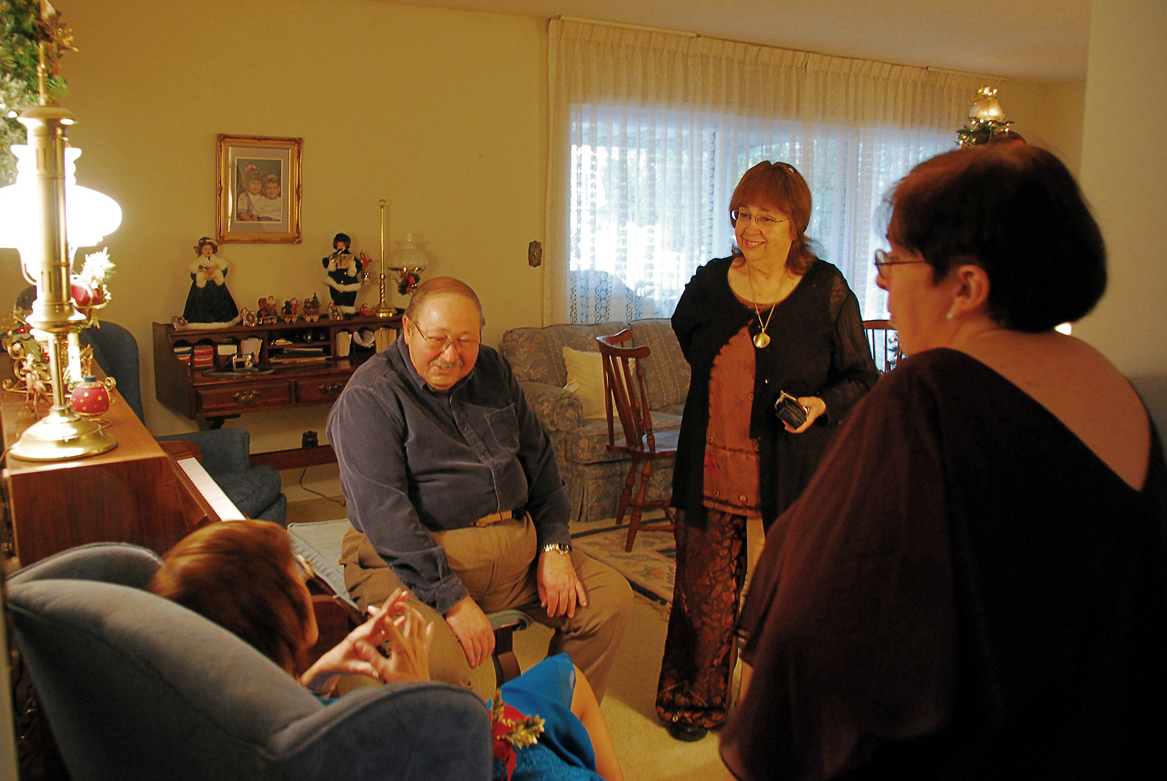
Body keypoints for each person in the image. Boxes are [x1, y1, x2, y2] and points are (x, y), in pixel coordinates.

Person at [718, 144, 1167, 779]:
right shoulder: (1120, 389)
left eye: (895, 258)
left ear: (966, 287)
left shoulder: (928, 397)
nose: (880, 280)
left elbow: (821, 625)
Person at [328, 277, 634, 700]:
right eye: (436, 339)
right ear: (407, 329)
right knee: (439, 666)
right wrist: (452, 600)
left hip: (515, 555)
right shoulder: (370, 395)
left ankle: (542, 732)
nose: (451, 355)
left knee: (609, 601)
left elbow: (541, 463)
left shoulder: (492, 369)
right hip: (410, 564)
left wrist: (555, 548)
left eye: (466, 340)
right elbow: (385, 516)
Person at [657, 161, 878, 741]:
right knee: (702, 594)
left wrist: (818, 405)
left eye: (767, 217)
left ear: (796, 224)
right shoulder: (709, 283)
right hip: (710, 464)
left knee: (790, 597)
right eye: (742, 215)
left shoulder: (826, 290)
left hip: (795, 471)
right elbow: (687, 335)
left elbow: (861, 377)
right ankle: (693, 703)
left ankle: (783, 707)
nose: (750, 228)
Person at [149, 520, 625, 781]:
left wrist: (318, 676)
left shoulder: (227, 700)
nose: (304, 572)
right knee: (567, 688)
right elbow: (444, 761)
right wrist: (417, 698)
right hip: (462, 753)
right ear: (273, 615)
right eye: (292, 571)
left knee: (565, 674)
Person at [182, 236, 239, 325]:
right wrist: (203, 275)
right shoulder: (197, 263)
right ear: (201, 250)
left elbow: (224, 270)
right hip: (201, 291)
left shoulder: (219, 262)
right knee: (199, 305)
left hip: (217, 289)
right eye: (205, 249)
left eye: (210, 249)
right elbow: (193, 274)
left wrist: (215, 274)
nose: (208, 251)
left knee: (221, 303)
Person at [322, 232, 364, 315]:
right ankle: (337, 312)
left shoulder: (351, 257)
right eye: (338, 245)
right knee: (337, 297)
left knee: (349, 298)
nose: (340, 247)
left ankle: (348, 312)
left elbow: (359, 265)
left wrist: (352, 265)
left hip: (349, 283)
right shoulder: (334, 256)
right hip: (336, 283)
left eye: (342, 245)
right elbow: (326, 263)